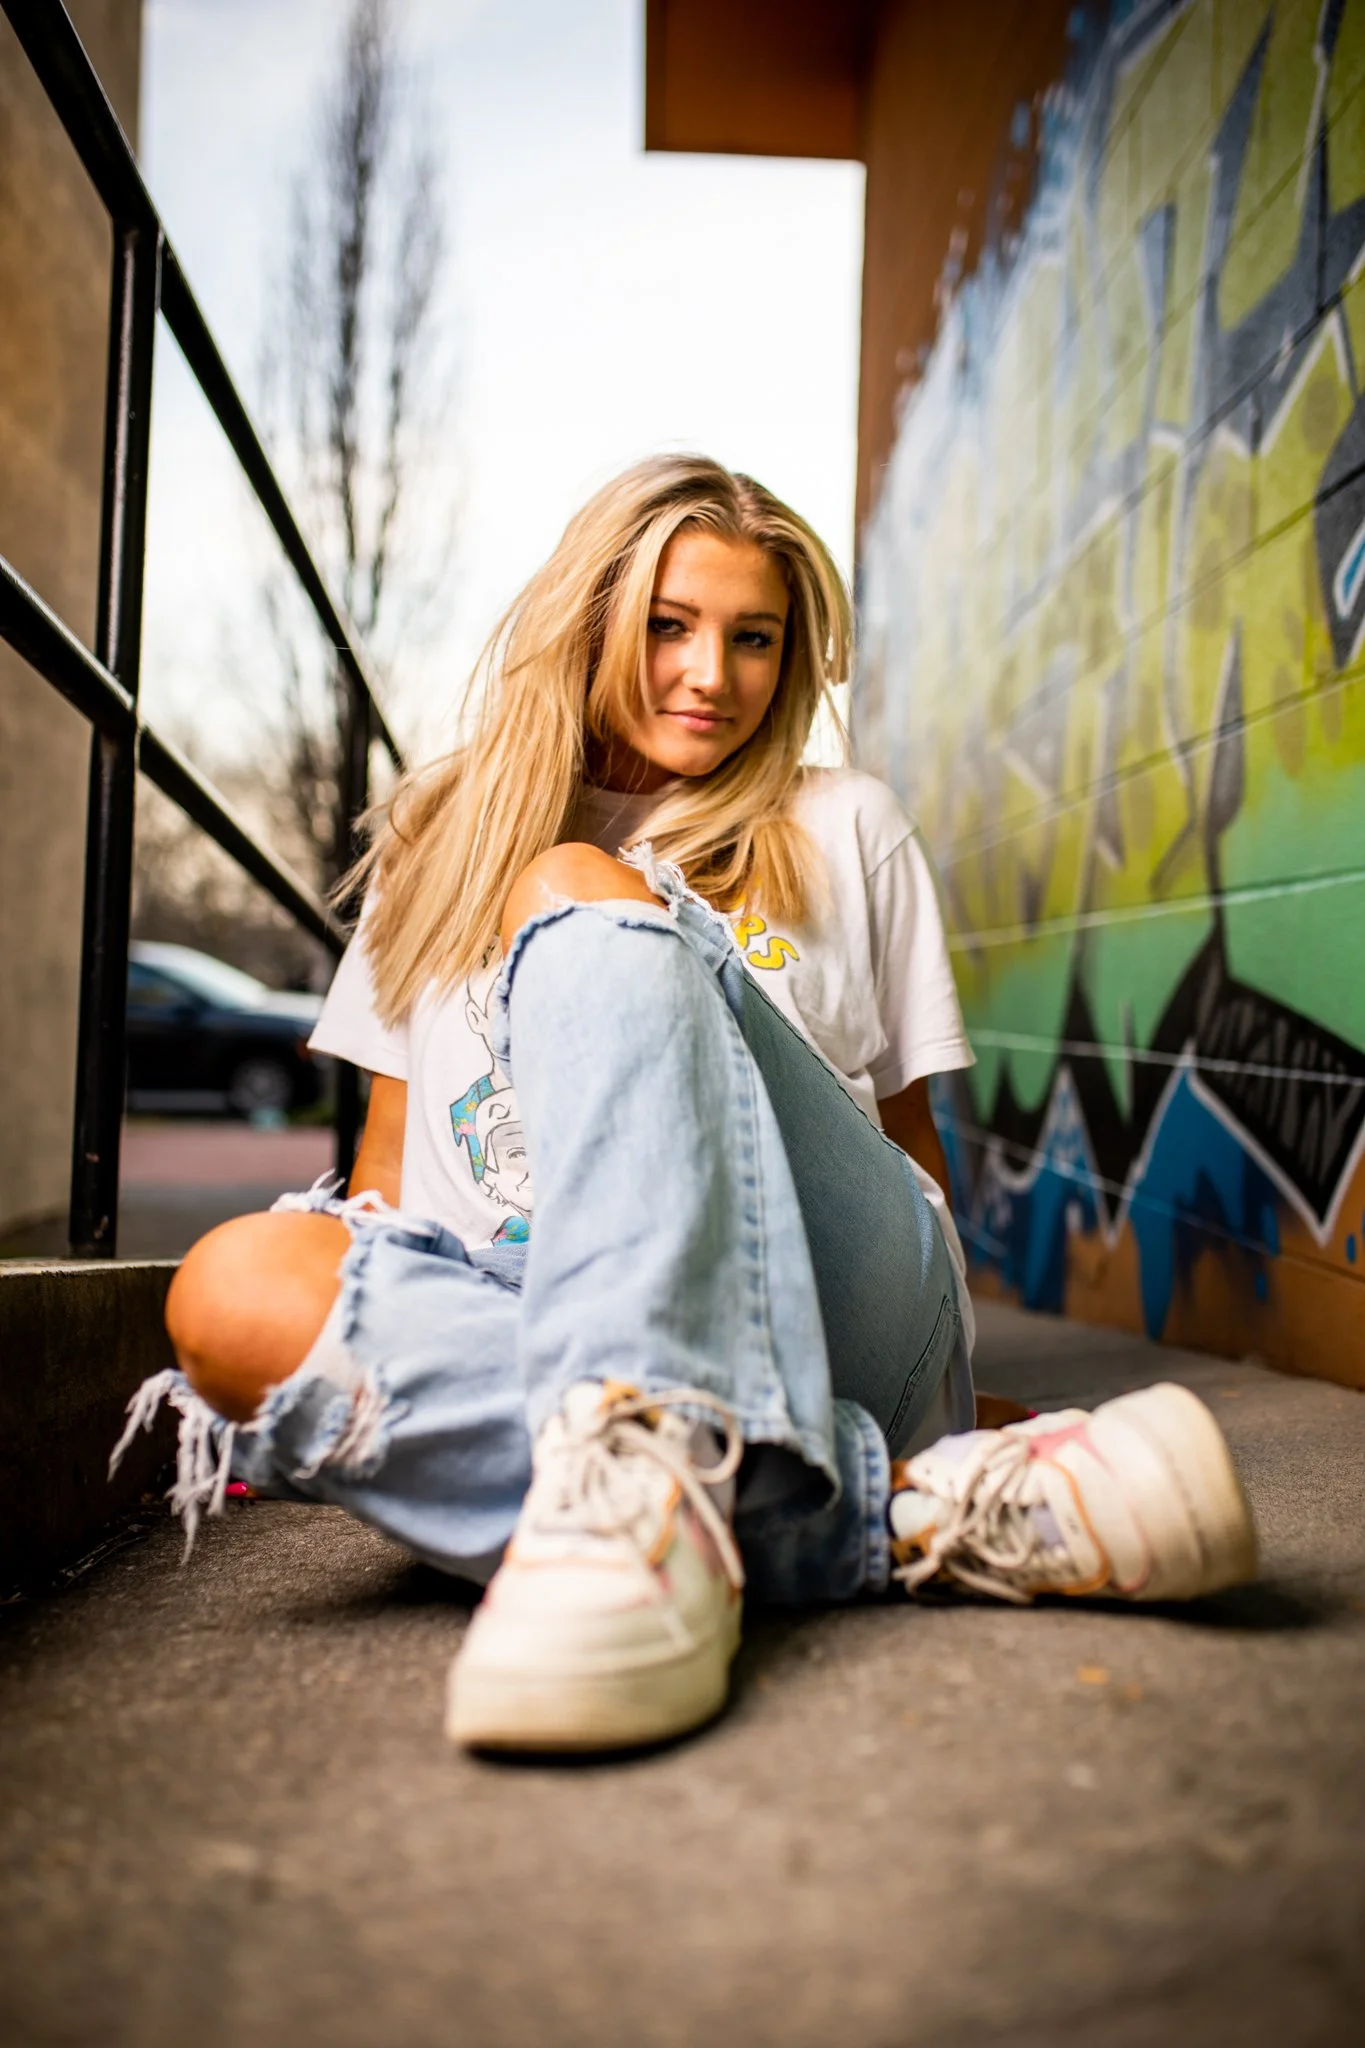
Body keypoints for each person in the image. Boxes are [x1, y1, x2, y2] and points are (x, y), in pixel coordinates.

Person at [114, 456, 1258, 1755]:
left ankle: (642, 1446)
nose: (711, 673)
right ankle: (903, 1515)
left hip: (828, 1304)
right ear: (591, 617)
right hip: (518, 1297)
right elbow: (387, 1172)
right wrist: (346, 1357)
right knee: (231, 1291)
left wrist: (952, 1382)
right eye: (669, 625)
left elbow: (904, 1159)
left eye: (753, 638)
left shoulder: (847, 826)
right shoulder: (441, 837)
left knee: (579, 887)